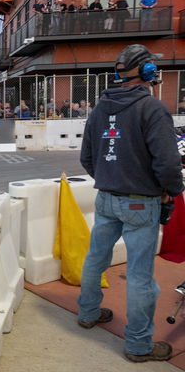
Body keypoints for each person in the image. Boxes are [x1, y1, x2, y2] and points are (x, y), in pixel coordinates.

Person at [78, 44, 184, 362]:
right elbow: (167, 164)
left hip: (106, 199)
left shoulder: (99, 109)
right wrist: (171, 190)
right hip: (141, 204)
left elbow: (87, 158)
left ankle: (87, 313)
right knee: (140, 276)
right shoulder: (152, 109)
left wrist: (110, 179)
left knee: (95, 258)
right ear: (148, 72)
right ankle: (138, 345)